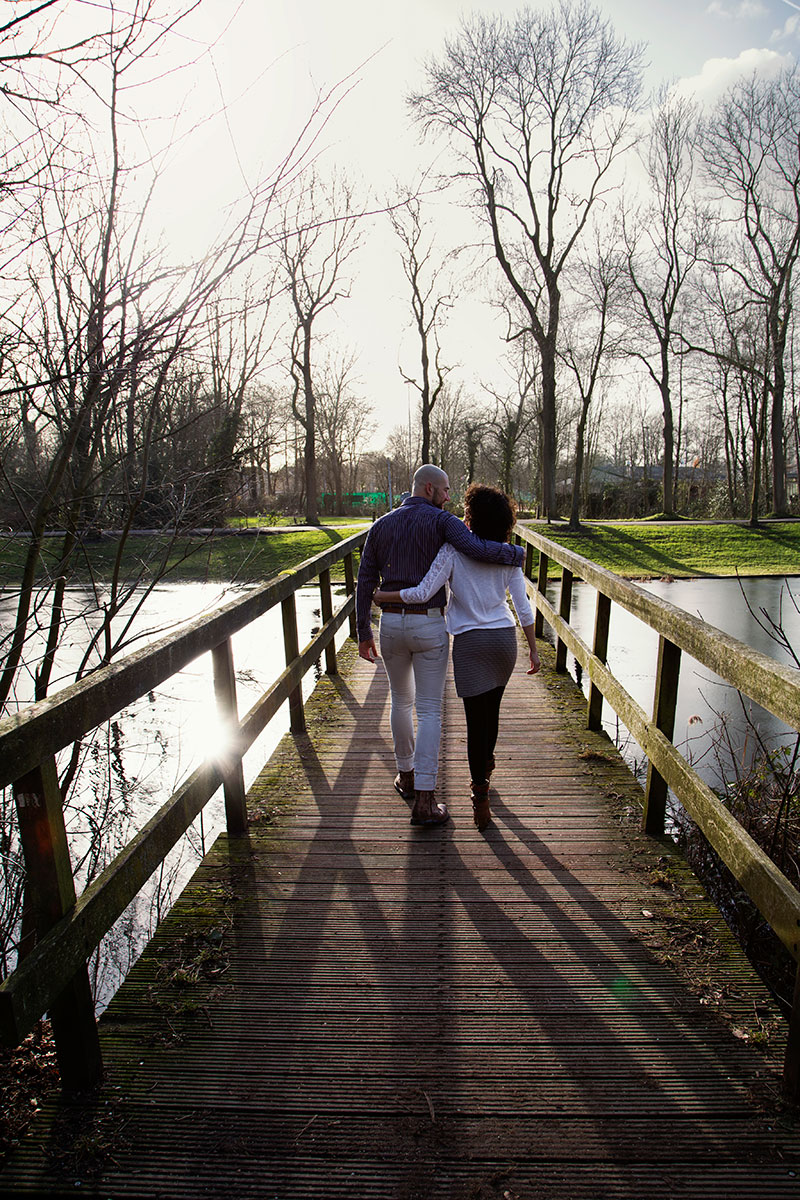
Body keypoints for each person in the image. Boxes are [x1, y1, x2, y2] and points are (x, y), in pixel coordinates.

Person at [356, 465, 524, 827]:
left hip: (389, 623)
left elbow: (364, 580)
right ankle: (426, 800)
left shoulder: (381, 525)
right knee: (430, 710)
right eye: (446, 490)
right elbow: (478, 547)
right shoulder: (443, 523)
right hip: (429, 622)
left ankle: (406, 775)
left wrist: (362, 632)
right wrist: (517, 555)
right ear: (429, 488)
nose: (449, 498)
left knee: (401, 700)